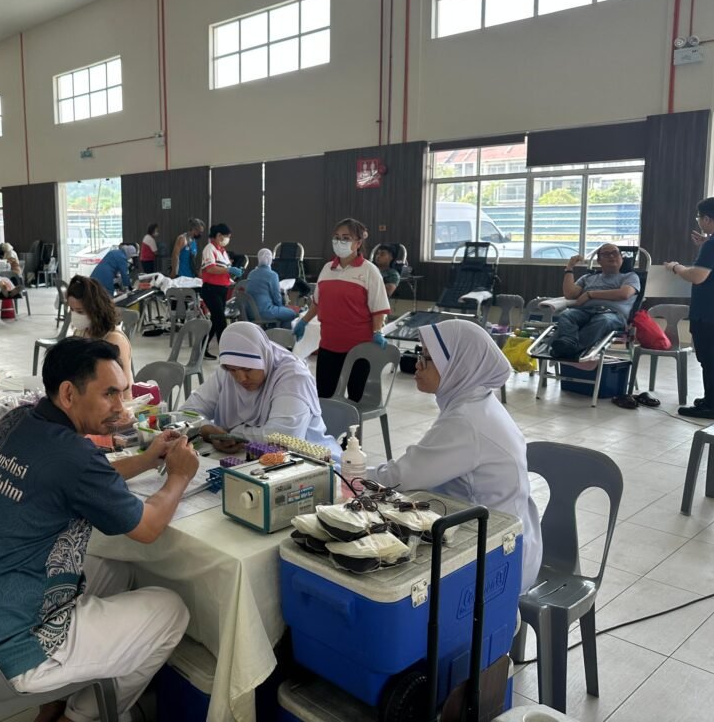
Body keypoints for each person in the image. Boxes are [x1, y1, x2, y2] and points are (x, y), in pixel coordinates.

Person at [0, 337, 196, 722]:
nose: (120, 406)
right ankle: (78, 717)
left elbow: (85, 477)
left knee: (117, 569)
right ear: (67, 393)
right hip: (10, 644)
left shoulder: (17, 421)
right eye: (109, 394)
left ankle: (54, 705)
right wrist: (178, 476)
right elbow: (147, 528)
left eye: (122, 392)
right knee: (171, 610)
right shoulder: (73, 455)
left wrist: (147, 460)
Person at [368, 319, 542, 592]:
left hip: (501, 559)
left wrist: (348, 473)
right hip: (508, 537)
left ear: (458, 364)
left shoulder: (466, 420)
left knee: (384, 575)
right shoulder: (477, 401)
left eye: (427, 358)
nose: (417, 364)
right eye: (420, 353)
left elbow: (401, 476)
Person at [183, 322, 341, 461]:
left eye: (248, 369)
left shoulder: (293, 376)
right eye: (232, 370)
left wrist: (234, 434)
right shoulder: (226, 371)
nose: (241, 378)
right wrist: (206, 430)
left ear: (263, 359)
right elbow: (186, 413)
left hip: (310, 461)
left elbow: (283, 438)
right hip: (250, 458)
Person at [295, 218, 391, 400]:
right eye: (337, 237)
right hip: (329, 344)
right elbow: (317, 303)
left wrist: (377, 332)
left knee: (356, 398)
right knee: (325, 397)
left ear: (358, 243)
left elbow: (378, 308)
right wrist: (303, 321)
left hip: (359, 348)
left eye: (346, 238)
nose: (340, 242)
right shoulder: (327, 269)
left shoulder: (369, 271)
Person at [665, 197, 714, 419]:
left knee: (709, 358)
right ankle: (712, 399)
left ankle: (712, 406)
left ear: (707, 219)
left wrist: (676, 267)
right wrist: (706, 245)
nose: (699, 221)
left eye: (699, 217)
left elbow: (697, 276)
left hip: (709, 310)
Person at [550, 243, 639, 360]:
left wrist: (590, 294)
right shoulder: (588, 278)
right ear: (599, 261)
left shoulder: (630, 276)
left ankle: (572, 349)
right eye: (606, 254)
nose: (611, 256)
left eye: (615, 253)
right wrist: (569, 268)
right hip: (585, 311)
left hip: (613, 314)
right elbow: (570, 294)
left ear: (622, 258)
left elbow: (624, 294)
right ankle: (568, 343)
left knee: (603, 320)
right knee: (566, 315)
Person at [67, 275, 134, 399]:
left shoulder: (114, 339)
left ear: (95, 309)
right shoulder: (80, 332)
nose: (75, 315)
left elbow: (124, 389)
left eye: (80, 311)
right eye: (72, 310)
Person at [200, 223, 242, 358]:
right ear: (218, 235)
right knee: (221, 321)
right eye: (226, 236)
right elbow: (211, 268)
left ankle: (201, 349)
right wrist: (229, 269)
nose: (227, 239)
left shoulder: (222, 251)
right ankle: (226, 353)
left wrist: (232, 272)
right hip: (211, 289)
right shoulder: (209, 249)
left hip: (222, 289)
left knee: (215, 320)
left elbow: (224, 270)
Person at [246, 249, 297, 325]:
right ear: (271, 260)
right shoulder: (272, 275)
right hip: (264, 312)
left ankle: (272, 328)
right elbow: (277, 298)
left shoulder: (251, 273)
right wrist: (282, 307)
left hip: (249, 312)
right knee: (291, 313)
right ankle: (279, 331)